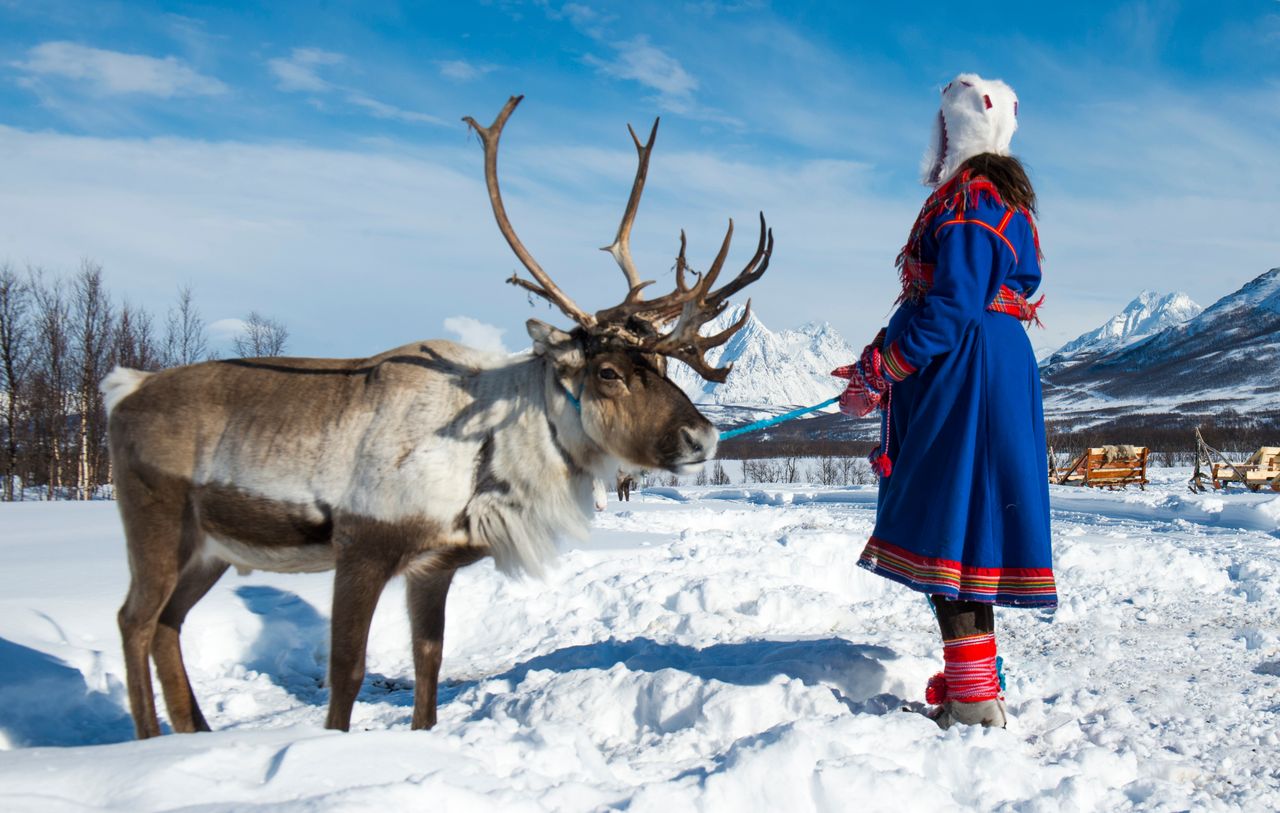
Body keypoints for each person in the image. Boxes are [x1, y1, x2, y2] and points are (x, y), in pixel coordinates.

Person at [834, 73, 1056, 729]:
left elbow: (949, 308)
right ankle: (974, 686)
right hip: (987, 366)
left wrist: (884, 370)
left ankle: (974, 701)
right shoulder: (1001, 205)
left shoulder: (967, 207)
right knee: (967, 532)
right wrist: (880, 355)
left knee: (951, 529)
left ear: (952, 133)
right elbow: (941, 304)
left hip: (966, 375)